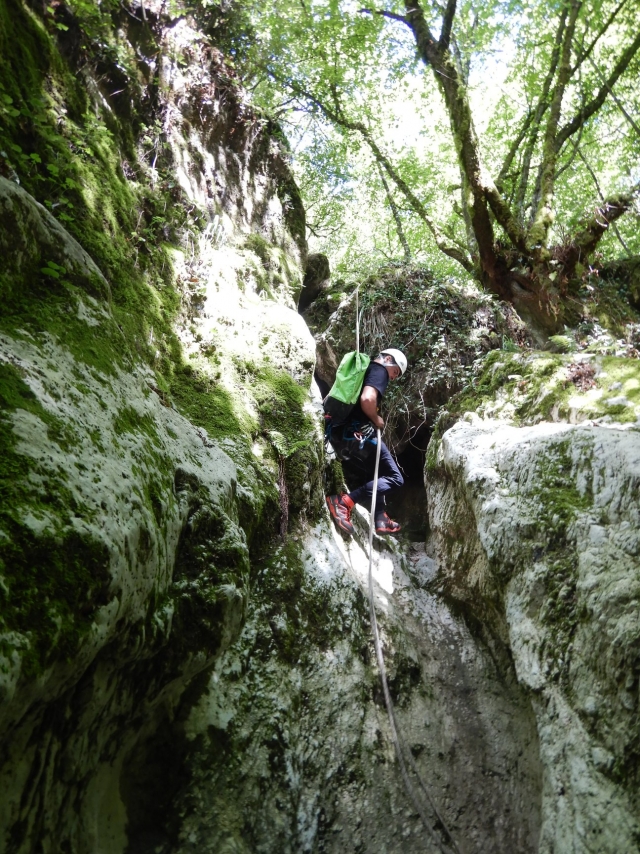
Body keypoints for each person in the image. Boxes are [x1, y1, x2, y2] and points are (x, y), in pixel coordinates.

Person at [325, 348, 406, 536]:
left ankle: (380, 517)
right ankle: (343, 502)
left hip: (341, 432)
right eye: (395, 372)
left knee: (375, 470)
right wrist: (377, 419)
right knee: (395, 478)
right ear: (387, 359)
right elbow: (367, 398)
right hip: (356, 433)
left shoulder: (365, 370)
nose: (393, 378)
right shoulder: (379, 370)